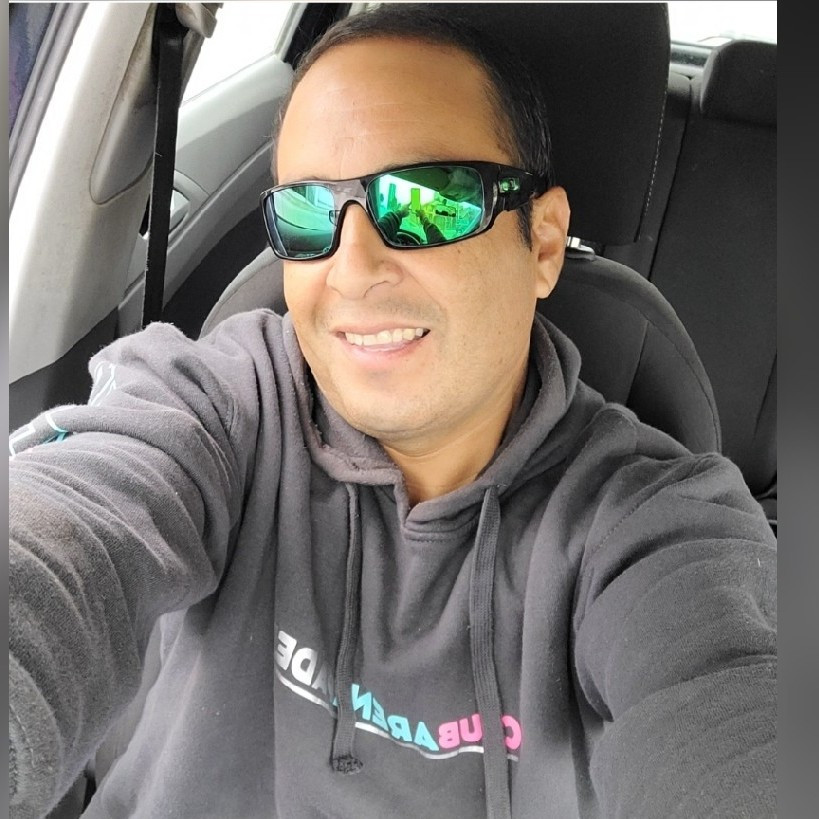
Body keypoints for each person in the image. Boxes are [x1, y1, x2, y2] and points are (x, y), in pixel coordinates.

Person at [8, 5, 776, 819]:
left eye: (426, 202)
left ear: (544, 243)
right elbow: (68, 528)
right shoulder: (217, 405)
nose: (351, 267)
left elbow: (729, 698)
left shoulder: (648, 521)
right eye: (308, 211)